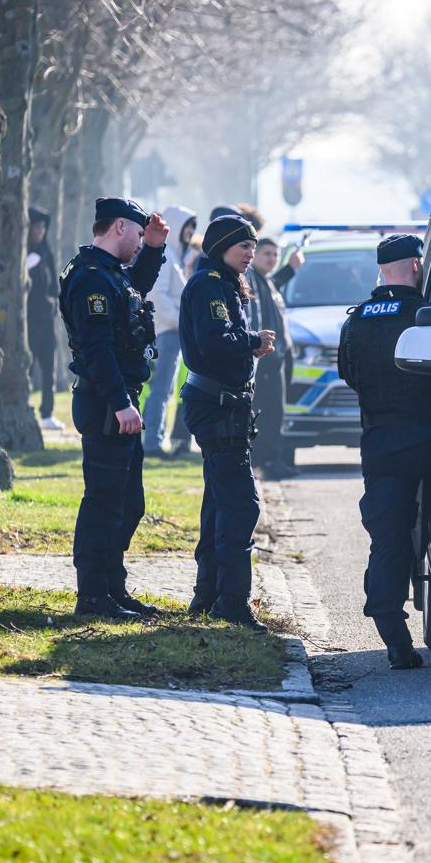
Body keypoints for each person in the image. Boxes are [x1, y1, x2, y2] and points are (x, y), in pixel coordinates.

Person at [58, 197, 169, 620]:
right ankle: (92, 595)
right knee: (105, 501)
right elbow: (97, 349)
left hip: (119, 400)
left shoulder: (107, 273)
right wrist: (121, 403)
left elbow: (133, 290)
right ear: (120, 227)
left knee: (128, 501)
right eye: (139, 235)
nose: (141, 243)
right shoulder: (89, 277)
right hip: (106, 402)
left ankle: (112, 588)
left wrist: (156, 249)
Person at [338, 234, 431, 669]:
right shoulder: (427, 316)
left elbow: (349, 373)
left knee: (388, 537)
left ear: (383, 270)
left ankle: (394, 636)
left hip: (380, 442)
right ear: (416, 266)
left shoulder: (358, 318)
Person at [179, 214, 275, 629]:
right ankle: (233, 603)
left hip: (226, 404)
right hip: (215, 404)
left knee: (219, 501)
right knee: (240, 504)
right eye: (244, 247)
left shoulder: (224, 283)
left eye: (254, 247)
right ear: (221, 247)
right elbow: (214, 342)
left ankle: (209, 594)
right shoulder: (209, 287)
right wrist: (253, 342)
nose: (250, 253)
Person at [143, 205, 197, 457]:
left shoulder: (174, 256)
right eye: (187, 226)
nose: (191, 232)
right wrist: (182, 321)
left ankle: (155, 438)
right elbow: (158, 296)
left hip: (172, 329)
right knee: (162, 389)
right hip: (168, 331)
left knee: (166, 388)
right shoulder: (167, 256)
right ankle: (152, 441)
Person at [245, 237, 298, 479]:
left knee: (276, 411)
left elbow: (275, 282)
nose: (271, 259)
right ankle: (266, 461)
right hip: (265, 358)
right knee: (267, 411)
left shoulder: (267, 281)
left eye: (275, 255)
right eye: (266, 253)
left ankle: (271, 459)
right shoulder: (251, 279)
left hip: (278, 360)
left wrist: (291, 269)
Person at [26, 206, 63, 431]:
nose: (39, 231)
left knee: (49, 366)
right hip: (28, 320)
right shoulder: (24, 253)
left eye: (42, 227)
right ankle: (26, 406)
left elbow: (53, 285)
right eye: (35, 227)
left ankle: (47, 413)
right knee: (27, 366)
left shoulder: (45, 252)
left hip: (46, 320)